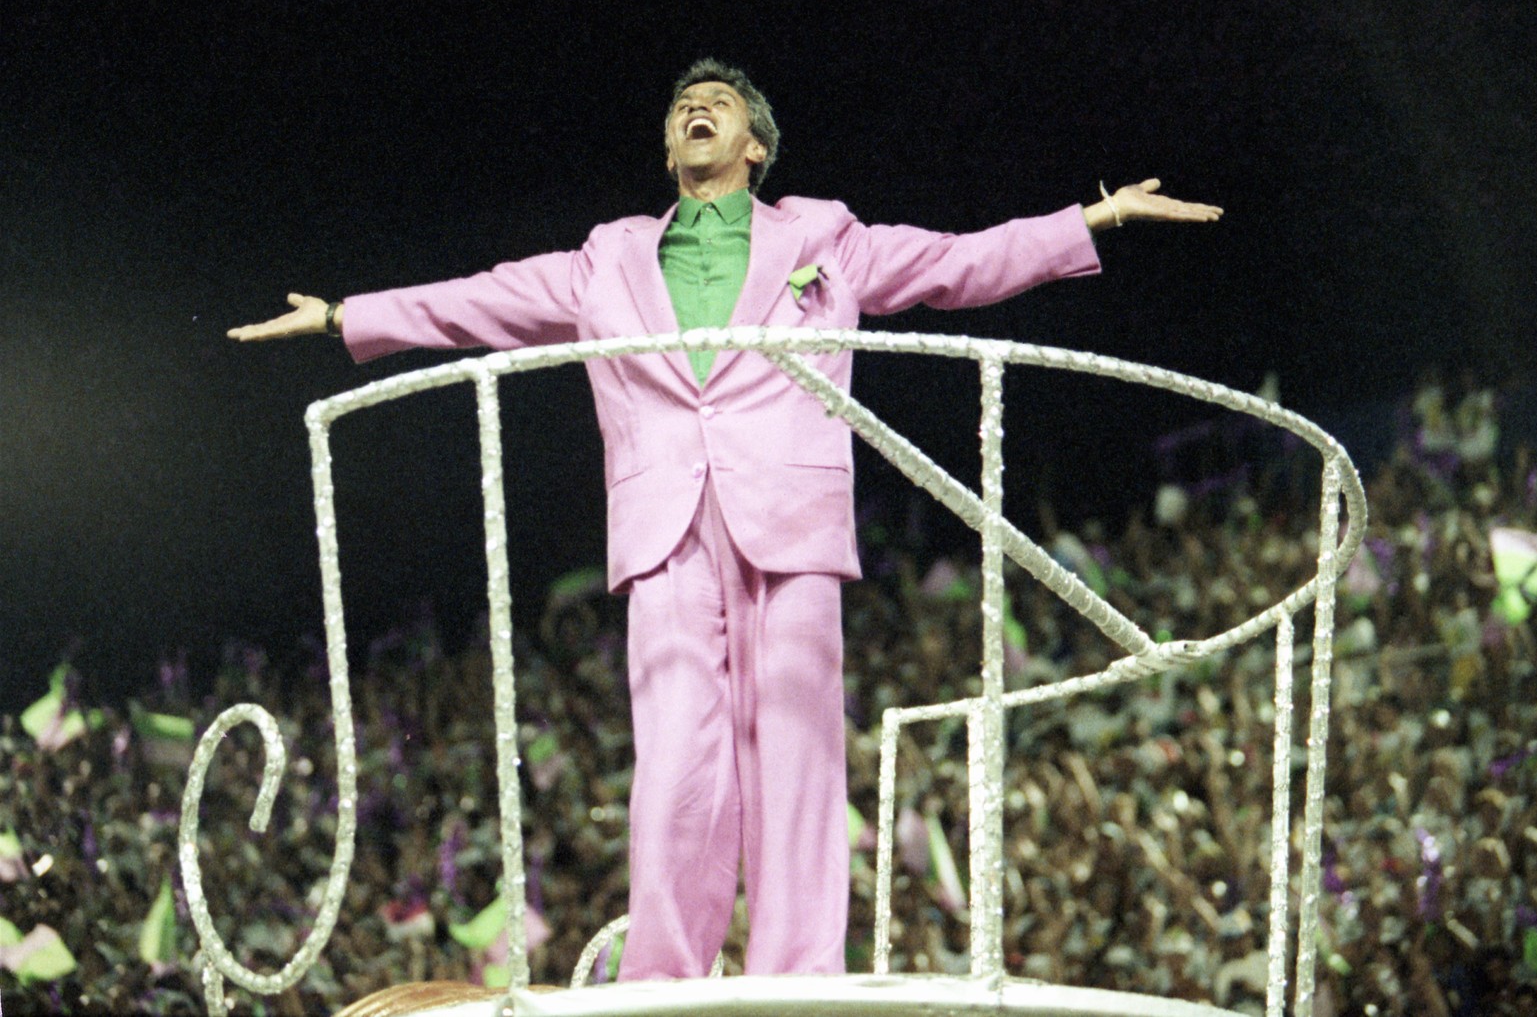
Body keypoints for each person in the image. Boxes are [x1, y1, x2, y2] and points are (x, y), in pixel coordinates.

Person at [228, 58, 1223, 981]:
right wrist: (342, 317)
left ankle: (796, 974)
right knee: (674, 754)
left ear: (755, 144)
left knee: (794, 741)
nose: (695, 109)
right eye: (680, 106)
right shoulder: (605, 260)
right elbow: (478, 302)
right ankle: (664, 974)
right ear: (668, 148)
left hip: (787, 516)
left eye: (720, 103)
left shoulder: (823, 240)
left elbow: (958, 263)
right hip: (663, 524)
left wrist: (1092, 221)